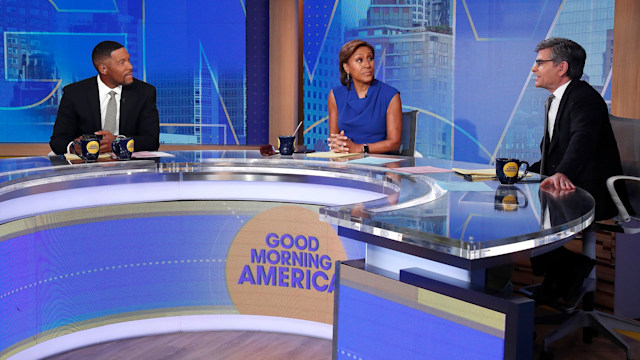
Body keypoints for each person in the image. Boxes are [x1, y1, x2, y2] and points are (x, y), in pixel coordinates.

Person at [528, 37, 624, 303]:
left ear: (562, 67)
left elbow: (583, 139)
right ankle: (562, 282)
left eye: (539, 63)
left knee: (533, 219)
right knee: (522, 205)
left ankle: (570, 278)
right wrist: (526, 172)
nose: (534, 69)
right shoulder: (557, 99)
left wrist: (563, 173)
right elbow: (556, 150)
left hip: (592, 189)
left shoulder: (584, 97)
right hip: (571, 181)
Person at [50, 41, 160, 155]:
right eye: (122, 62)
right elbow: (57, 141)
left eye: (128, 60)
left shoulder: (144, 92)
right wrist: (75, 148)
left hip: (128, 166)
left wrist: (118, 143)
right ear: (103, 69)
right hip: (87, 167)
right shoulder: (74, 94)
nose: (130, 66)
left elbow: (151, 141)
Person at [327, 40, 402, 154]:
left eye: (370, 58)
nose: (367, 65)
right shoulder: (335, 95)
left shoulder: (390, 95)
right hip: (345, 164)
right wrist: (337, 145)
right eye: (359, 60)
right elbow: (333, 140)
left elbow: (394, 143)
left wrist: (360, 149)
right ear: (346, 67)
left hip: (379, 165)